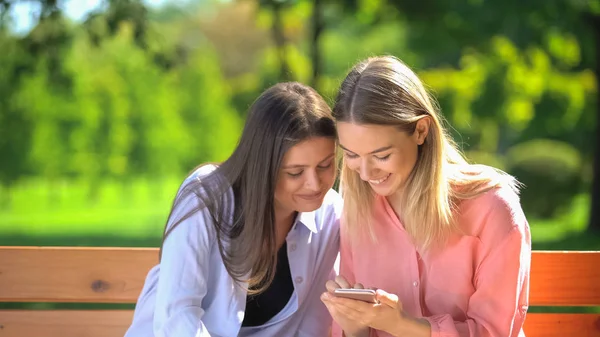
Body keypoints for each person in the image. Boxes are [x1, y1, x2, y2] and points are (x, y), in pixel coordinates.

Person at [320, 55, 531, 337]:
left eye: (381, 155)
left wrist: (400, 325)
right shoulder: (358, 212)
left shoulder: (490, 208)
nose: (366, 172)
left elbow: (493, 332)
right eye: (352, 155)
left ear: (421, 130)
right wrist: (354, 325)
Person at [124, 82, 342, 337]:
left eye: (325, 165)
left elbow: (311, 323)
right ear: (262, 166)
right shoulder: (205, 197)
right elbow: (178, 315)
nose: (315, 184)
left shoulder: (329, 214)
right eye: (295, 172)